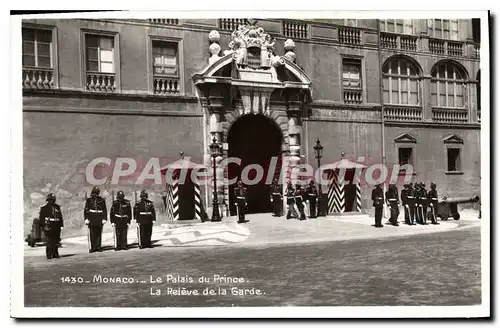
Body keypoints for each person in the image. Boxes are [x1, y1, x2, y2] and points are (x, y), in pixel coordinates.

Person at [39, 193, 63, 259]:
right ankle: (49, 254)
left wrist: (61, 225)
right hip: (49, 225)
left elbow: (60, 217)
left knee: (56, 240)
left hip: (57, 225)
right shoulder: (44, 208)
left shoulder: (57, 207)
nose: (52, 201)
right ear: (48, 200)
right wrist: (43, 226)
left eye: (53, 199)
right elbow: (41, 218)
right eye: (51, 199)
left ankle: (55, 253)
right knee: (49, 241)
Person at [84, 186, 107, 253]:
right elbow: (86, 210)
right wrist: (86, 218)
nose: (96, 194)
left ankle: (98, 247)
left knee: (99, 233)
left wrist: (104, 218)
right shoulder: (89, 200)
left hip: (99, 217)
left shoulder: (102, 200)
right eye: (95, 192)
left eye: (97, 192)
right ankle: (93, 247)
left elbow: (104, 210)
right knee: (92, 233)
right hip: (92, 218)